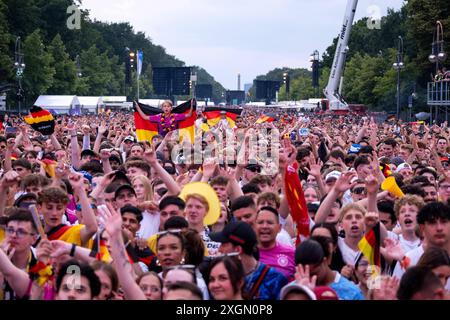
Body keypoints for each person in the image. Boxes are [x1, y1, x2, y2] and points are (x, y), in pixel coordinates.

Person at [210, 221, 288, 300]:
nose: (219, 249)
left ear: (238, 249)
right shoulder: (219, 278)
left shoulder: (275, 280)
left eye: (224, 244)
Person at [294, 236, 365, 300]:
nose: (308, 280)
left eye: (313, 274)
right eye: (303, 274)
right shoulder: (292, 290)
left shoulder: (351, 292)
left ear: (324, 262)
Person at [255, 206, 295, 279]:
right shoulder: (248, 254)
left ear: (279, 228)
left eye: (270, 223)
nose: (264, 226)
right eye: (260, 222)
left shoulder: (292, 254)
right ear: (254, 226)